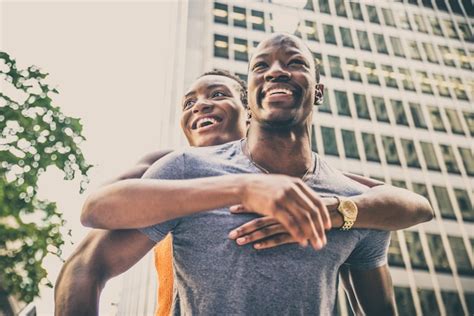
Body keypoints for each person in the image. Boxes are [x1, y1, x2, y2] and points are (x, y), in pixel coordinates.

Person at [66, 33, 434, 315]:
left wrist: (337, 211)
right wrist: (244, 187)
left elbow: (410, 205)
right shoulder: (176, 167)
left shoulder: (350, 197)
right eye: (261, 66)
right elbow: (93, 223)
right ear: (254, 98)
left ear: (245, 108)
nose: (276, 71)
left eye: (294, 63)